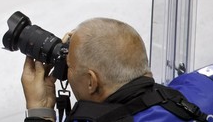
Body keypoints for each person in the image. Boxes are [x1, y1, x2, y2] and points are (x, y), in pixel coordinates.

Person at [20, 17, 212, 121]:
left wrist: (40, 111)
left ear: (91, 82)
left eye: (68, 65)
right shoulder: (197, 85)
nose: (64, 71)